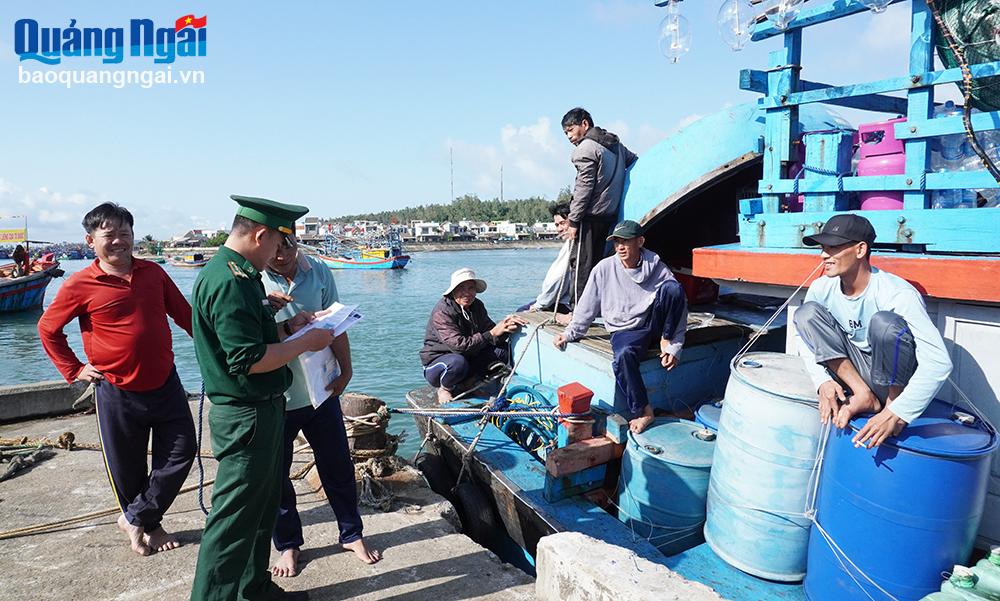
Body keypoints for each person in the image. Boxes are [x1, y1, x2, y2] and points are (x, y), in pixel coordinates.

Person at [190, 195, 334, 601]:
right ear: (259, 235)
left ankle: (254, 591)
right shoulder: (228, 281)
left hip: (266, 410)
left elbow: (255, 336)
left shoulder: (244, 275)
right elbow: (248, 359)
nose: (278, 254)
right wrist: (308, 340)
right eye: (276, 244)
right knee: (234, 520)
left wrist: (289, 327)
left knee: (260, 510)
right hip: (246, 415)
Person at [37, 202, 196, 557]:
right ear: (90, 240)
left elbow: (188, 318)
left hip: (165, 382)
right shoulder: (80, 284)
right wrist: (75, 369)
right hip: (115, 388)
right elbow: (48, 329)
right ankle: (148, 528)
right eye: (110, 235)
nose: (119, 241)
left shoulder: (154, 273)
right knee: (127, 469)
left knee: (182, 452)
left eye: (125, 233)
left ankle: (135, 517)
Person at [261, 236, 381, 578]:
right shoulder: (254, 277)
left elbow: (335, 324)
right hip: (278, 396)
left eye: (288, 246)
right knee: (277, 476)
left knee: (338, 465)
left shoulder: (319, 271)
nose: (282, 255)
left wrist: (346, 369)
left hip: (320, 389)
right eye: (275, 248)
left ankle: (351, 533)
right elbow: (246, 338)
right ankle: (288, 544)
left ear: (297, 243)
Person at [793, 214, 953, 449]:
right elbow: (803, 335)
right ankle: (863, 395)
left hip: (894, 380)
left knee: (884, 323)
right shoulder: (821, 287)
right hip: (855, 375)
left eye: (834, 247)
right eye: (823, 248)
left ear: (860, 250)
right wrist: (822, 382)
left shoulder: (897, 293)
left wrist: (899, 412)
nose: (823, 255)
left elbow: (939, 362)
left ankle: (889, 406)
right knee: (805, 314)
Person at [553, 220, 687, 434]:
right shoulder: (604, 269)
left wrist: (675, 344)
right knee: (623, 356)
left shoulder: (656, 266)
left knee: (674, 289)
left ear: (640, 241)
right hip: (626, 330)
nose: (620, 247)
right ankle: (643, 411)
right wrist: (570, 333)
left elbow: (679, 304)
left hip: (654, 324)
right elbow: (587, 306)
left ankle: (665, 338)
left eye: (626, 241)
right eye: (617, 242)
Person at [561, 107, 638, 304]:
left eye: (570, 130)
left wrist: (573, 220)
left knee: (581, 267)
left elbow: (583, 188)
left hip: (589, 218)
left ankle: (577, 312)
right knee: (602, 266)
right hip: (609, 216)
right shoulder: (617, 146)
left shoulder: (584, 150)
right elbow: (634, 161)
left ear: (585, 124)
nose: (568, 136)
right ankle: (599, 307)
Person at [421, 268, 527, 404]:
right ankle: (444, 388)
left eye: (471, 288)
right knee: (457, 363)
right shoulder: (442, 312)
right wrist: (492, 333)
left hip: (467, 357)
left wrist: (506, 327)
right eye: (461, 288)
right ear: (453, 290)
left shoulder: (477, 306)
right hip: (439, 364)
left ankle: (471, 382)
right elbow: (459, 346)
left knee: (503, 351)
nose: (467, 293)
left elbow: (492, 335)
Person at [516, 202, 573, 314]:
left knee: (520, 313)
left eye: (563, 223)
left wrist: (539, 305)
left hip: (563, 304)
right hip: (558, 301)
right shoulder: (569, 244)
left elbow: (559, 279)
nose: (559, 229)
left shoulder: (573, 246)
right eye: (557, 225)